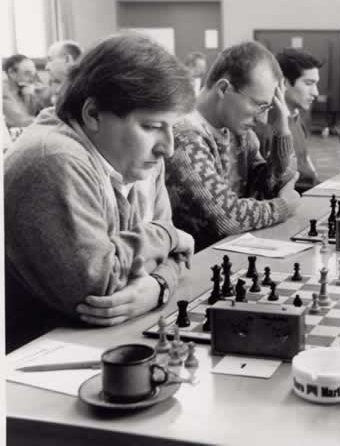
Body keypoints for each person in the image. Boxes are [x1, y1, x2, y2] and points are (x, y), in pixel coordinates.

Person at [4, 33, 196, 353]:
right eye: (151, 127)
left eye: (172, 127)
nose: (168, 148)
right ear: (93, 114)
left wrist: (159, 286)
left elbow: (177, 255)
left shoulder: (139, 158)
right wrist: (167, 235)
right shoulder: (53, 159)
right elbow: (99, 289)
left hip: (103, 342)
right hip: (37, 356)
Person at [165, 41, 300, 252]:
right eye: (258, 105)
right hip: (199, 261)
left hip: (230, 251)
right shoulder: (184, 136)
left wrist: (281, 131)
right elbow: (226, 219)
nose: (262, 119)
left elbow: (274, 186)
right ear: (223, 89)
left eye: (267, 107)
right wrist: (283, 207)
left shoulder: (238, 131)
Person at [253, 48, 322, 193]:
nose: (316, 92)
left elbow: (307, 164)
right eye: (309, 83)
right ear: (283, 83)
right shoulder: (265, 129)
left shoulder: (297, 117)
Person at [2, 54, 43, 128]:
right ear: (12, 73)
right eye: (27, 73)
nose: (32, 79)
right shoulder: (3, 93)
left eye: (33, 73)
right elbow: (21, 122)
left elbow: (35, 113)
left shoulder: (25, 87)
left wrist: (29, 97)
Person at [45, 40, 83, 105]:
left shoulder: (81, 91)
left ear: (67, 59)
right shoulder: (61, 87)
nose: (46, 67)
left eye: (50, 60)